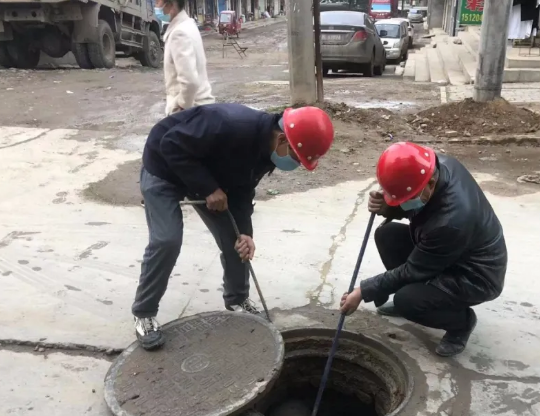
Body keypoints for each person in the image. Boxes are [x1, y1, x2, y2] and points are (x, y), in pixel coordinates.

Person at [133, 103, 335, 350]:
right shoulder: (229, 124)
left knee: (237, 241)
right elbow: (171, 145)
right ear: (283, 139)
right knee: (166, 240)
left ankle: (237, 299)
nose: (296, 165)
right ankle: (144, 313)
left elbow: (242, 189)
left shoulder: (267, 149)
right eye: (296, 158)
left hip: (207, 172)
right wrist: (208, 188)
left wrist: (246, 232)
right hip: (164, 166)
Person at [340, 142, 508, 357]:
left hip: (474, 275)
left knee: (407, 301)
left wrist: (364, 291)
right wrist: (388, 206)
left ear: (430, 183)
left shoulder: (452, 221)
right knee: (387, 235)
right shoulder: (435, 166)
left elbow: (413, 269)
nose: (405, 202)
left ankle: (461, 323)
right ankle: (418, 296)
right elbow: (421, 207)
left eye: (408, 198)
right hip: (447, 251)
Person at [156, 0, 214, 117]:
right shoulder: (188, 24)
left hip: (191, 111)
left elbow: (190, 82)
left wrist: (180, 107)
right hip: (198, 108)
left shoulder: (179, 33)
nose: (155, 6)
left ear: (171, 5)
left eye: (158, 2)